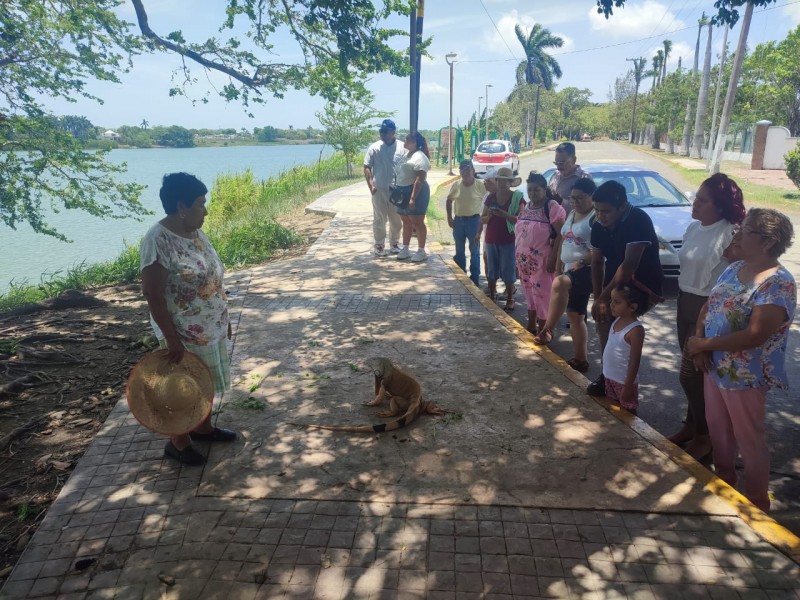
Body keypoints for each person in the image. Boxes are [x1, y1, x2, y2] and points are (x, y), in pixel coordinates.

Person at [686, 208, 796, 512]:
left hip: (745, 377)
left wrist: (704, 343)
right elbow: (710, 305)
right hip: (714, 368)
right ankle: (725, 486)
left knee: (749, 439)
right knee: (718, 431)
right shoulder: (735, 268)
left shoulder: (777, 283)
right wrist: (700, 345)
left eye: (744, 230)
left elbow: (755, 335)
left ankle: (758, 504)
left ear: (767, 241)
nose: (736, 235)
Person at [140, 172, 237, 466]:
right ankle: (178, 442)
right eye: (199, 204)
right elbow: (152, 294)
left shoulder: (195, 232)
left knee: (204, 384)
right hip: (182, 331)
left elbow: (211, 277)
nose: (205, 210)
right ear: (181, 207)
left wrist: (224, 316)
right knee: (183, 390)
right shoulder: (157, 240)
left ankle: (203, 428)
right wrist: (171, 339)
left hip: (210, 326)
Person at [668, 174, 746, 460]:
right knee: (695, 376)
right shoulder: (693, 228)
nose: (695, 204)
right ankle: (692, 426)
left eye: (703, 200)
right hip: (684, 302)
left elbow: (739, 279)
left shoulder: (732, 233)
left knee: (690, 375)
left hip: (708, 311)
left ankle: (706, 437)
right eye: (696, 198)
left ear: (721, 206)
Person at [587, 180, 664, 396]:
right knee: (604, 321)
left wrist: (604, 298)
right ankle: (607, 375)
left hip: (641, 283)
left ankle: (627, 384)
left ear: (622, 206)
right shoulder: (597, 225)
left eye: (606, 211)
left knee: (621, 329)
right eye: (596, 210)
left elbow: (629, 266)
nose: (600, 216)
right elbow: (596, 262)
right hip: (614, 283)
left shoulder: (638, 220)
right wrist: (598, 298)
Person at [533, 178, 598, 373]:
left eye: (581, 198)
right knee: (575, 315)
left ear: (592, 197)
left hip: (587, 269)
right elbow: (563, 239)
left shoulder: (596, 218)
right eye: (573, 198)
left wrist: (582, 262)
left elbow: (601, 250)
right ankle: (581, 358)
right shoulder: (571, 213)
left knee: (560, 284)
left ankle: (548, 330)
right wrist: (560, 265)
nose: (576, 202)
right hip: (569, 268)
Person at [515, 172, 566, 335]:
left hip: (542, 262)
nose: (532, 194)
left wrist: (553, 259)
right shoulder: (527, 208)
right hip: (524, 262)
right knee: (529, 292)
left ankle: (545, 330)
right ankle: (531, 325)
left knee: (542, 295)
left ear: (545, 190)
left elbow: (561, 235)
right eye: (529, 190)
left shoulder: (551, 208)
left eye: (536, 190)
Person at [480, 167, 525, 311]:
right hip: (491, 238)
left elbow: (521, 220)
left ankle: (510, 299)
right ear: (497, 181)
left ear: (511, 182)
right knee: (492, 269)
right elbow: (482, 218)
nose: (502, 184)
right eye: (500, 181)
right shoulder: (490, 197)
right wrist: (490, 216)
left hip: (509, 239)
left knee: (508, 270)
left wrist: (504, 215)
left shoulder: (517, 198)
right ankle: (492, 296)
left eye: (506, 181)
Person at [603, 283, 648, 416]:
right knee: (613, 410)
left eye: (617, 302)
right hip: (609, 377)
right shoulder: (616, 321)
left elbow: (635, 362)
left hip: (624, 382)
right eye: (611, 300)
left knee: (628, 413)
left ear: (632, 307)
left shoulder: (635, 331)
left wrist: (628, 387)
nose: (611, 304)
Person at [364, 118, 404, 256]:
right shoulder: (374, 148)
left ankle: (394, 243)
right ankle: (379, 245)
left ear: (392, 132)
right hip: (379, 189)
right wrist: (371, 185)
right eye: (381, 131)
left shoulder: (402, 147)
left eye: (385, 131)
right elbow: (367, 167)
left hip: (396, 190)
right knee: (379, 218)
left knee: (396, 219)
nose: (382, 133)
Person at [446, 159, 486, 285]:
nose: (465, 172)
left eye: (467, 169)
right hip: (459, 221)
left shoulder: (480, 185)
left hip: (474, 221)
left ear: (473, 170)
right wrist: (449, 217)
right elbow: (449, 200)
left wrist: (484, 219)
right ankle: (461, 276)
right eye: (462, 169)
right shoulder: (457, 185)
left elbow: (488, 201)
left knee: (474, 250)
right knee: (459, 251)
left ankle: (475, 278)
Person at [394, 131, 431, 262]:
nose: (405, 141)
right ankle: (405, 248)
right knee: (406, 220)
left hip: (415, 191)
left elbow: (420, 179)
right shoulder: (407, 155)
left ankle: (421, 250)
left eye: (407, 139)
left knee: (417, 221)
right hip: (402, 190)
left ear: (414, 142)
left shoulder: (420, 157)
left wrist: (413, 197)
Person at [547, 142, 593, 213]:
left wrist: (561, 201)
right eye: (556, 163)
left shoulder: (584, 178)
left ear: (574, 160)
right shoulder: (555, 176)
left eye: (562, 163)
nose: (558, 167)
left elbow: (589, 206)